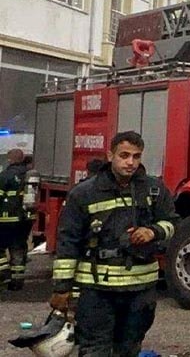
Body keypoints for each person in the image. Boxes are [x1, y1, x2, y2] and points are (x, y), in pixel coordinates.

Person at [48, 131, 178, 357]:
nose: (130, 162)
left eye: (136, 156)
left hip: (140, 290)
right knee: (94, 349)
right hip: (97, 290)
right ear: (110, 156)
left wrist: (153, 231)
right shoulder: (85, 193)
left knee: (128, 348)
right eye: (124, 155)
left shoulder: (154, 189)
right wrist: (62, 288)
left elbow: (174, 222)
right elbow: (68, 242)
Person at [0, 149, 34, 290]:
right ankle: (17, 281)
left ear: (9, 159)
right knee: (18, 247)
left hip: (6, 219)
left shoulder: (5, 175)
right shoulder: (30, 175)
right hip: (26, 219)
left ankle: (3, 272)